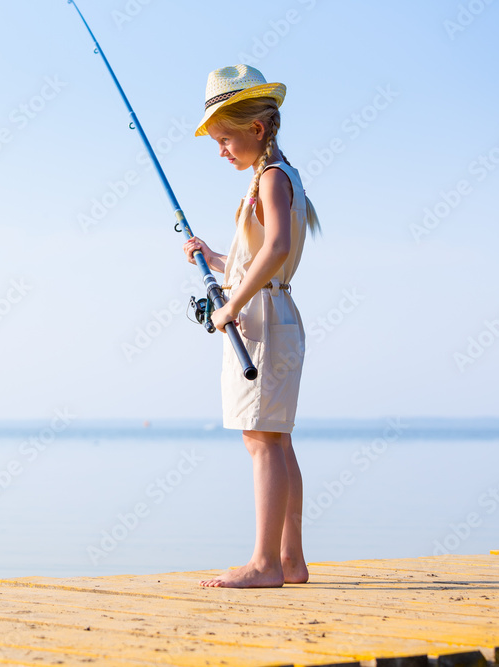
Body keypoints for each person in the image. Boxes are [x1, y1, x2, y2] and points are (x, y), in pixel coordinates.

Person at [183, 65, 322, 588]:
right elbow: (261, 258)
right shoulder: (280, 175)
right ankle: (291, 560)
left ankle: (265, 563)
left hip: (262, 319)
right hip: (274, 309)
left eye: (224, 138)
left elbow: (278, 248)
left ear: (256, 129)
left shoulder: (270, 177)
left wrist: (228, 307)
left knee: (262, 441)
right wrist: (215, 258)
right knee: (276, 440)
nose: (220, 150)